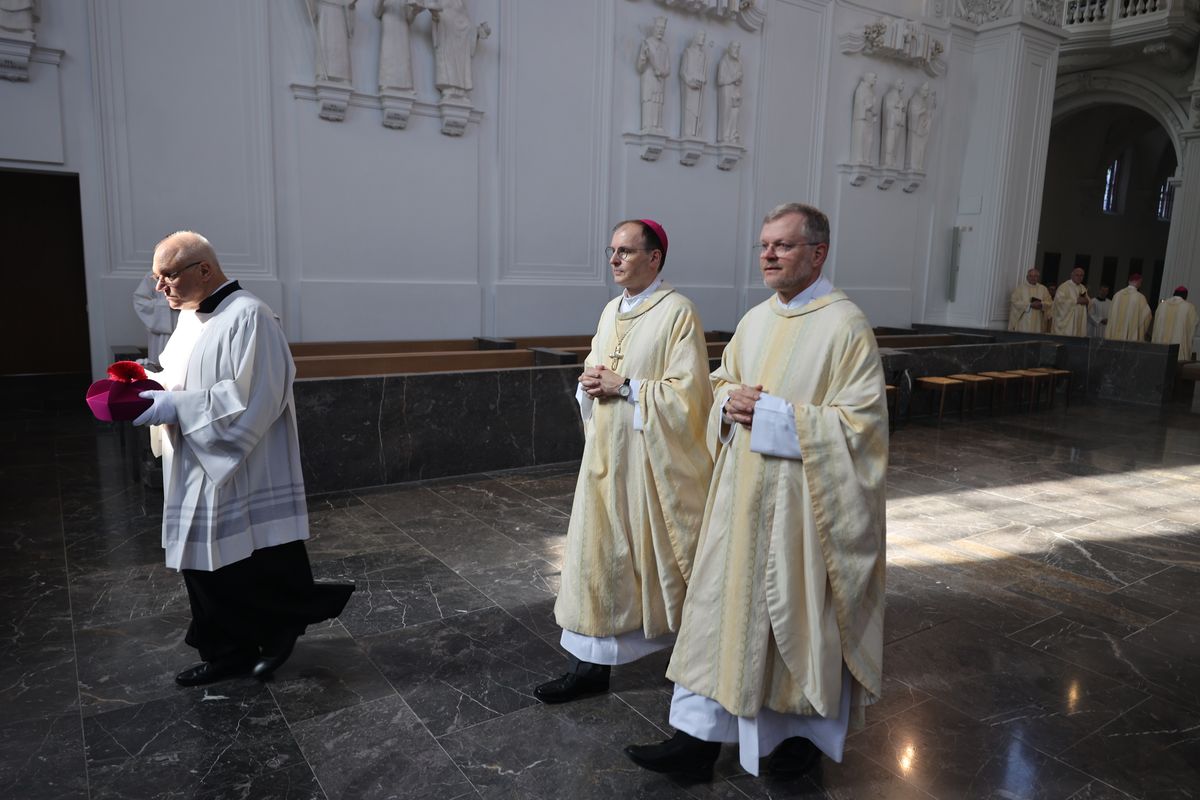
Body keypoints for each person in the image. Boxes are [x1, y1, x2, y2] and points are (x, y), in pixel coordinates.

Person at [625, 203, 887, 781]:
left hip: (803, 507)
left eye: (783, 245)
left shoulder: (846, 327)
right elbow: (719, 385)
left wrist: (774, 414)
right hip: (740, 501)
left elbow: (862, 429)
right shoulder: (755, 319)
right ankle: (695, 742)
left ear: (817, 253)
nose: (768, 255)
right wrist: (728, 404)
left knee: (795, 621)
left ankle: (800, 739)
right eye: (764, 245)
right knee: (717, 615)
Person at [133, 231, 354, 687]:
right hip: (195, 458)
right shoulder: (191, 317)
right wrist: (146, 383)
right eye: (156, 278)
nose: (159, 288)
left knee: (243, 562)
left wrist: (173, 406)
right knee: (203, 562)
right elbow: (179, 376)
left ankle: (273, 631)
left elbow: (253, 397)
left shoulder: (251, 316)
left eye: (167, 276)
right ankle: (228, 651)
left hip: (240, 461)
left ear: (204, 270)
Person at [536, 220, 713, 704]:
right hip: (604, 454)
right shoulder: (611, 309)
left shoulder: (677, 312)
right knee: (596, 557)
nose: (614, 260)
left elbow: (691, 395)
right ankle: (588, 667)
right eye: (611, 251)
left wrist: (627, 387)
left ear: (654, 258)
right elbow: (598, 363)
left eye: (626, 252)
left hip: (648, 462)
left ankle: (690, 659)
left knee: (648, 559)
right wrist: (590, 382)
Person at [426, 0, 490, 101]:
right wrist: (434, 14)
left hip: (461, 42)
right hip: (446, 36)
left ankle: (461, 91)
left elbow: (466, 25)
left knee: (461, 65)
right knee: (448, 63)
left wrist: (478, 31)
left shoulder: (460, 3)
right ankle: (449, 90)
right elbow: (436, 15)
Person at [132, 271, 178, 366]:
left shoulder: (190, 272)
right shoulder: (153, 275)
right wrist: (166, 305)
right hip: (162, 334)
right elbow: (140, 302)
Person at [305, 0, 357, 84]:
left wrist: (351, 6)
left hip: (340, 15)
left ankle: (343, 75)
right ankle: (322, 72)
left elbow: (348, 7)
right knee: (325, 40)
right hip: (324, 12)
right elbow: (313, 12)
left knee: (341, 46)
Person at [375, 0, 421, 92]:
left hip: (402, 27)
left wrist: (415, 11)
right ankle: (387, 83)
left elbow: (409, 19)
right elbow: (377, 12)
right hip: (389, 25)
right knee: (388, 53)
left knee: (404, 56)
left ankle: (406, 85)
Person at [636, 17, 670, 134]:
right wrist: (643, 56)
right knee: (649, 101)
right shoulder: (647, 44)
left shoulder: (665, 47)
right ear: (654, 28)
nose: (661, 30)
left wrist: (662, 72)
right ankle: (647, 126)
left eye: (663, 28)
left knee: (658, 103)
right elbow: (640, 67)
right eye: (659, 28)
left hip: (660, 82)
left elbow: (668, 69)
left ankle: (657, 126)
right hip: (649, 80)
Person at [1151, 286, 1198, 361]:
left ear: (1174, 294)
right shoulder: (1189, 307)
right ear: (1185, 296)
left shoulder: (1162, 305)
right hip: (1178, 348)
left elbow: (1156, 324)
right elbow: (1193, 326)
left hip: (1160, 347)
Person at [1104, 273, 1152, 342]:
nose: (1140, 285)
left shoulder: (1117, 295)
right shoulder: (1140, 298)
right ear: (1138, 282)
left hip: (1114, 335)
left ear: (1129, 281)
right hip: (1130, 337)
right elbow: (1147, 316)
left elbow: (1110, 314)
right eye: (1141, 283)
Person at [679, 31, 708, 139]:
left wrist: (703, 79)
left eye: (704, 36)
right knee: (689, 108)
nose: (703, 38)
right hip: (689, 86)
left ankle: (696, 132)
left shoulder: (703, 56)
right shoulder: (688, 52)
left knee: (698, 111)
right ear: (696, 37)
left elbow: (704, 73)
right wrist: (689, 81)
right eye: (701, 36)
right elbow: (683, 71)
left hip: (699, 87)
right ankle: (688, 132)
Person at [1007, 267, 1052, 333]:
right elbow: (1014, 302)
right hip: (1024, 321)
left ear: (1038, 277)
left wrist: (1041, 304)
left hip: (1038, 320)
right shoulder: (1020, 288)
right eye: (1031, 276)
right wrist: (1029, 305)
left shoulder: (1043, 289)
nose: (1033, 278)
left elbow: (1049, 302)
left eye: (1035, 276)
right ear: (1027, 277)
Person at [716, 42, 743, 145]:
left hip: (735, 91)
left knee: (735, 112)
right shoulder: (724, 62)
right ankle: (725, 136)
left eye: (738, 48)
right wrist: (734, 78)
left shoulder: (739, 63)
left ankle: (732, 135)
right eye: (735, 48)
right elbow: (720, 80)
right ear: (730, 49)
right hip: (726, 90)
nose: (737, 50)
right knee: (726, 111)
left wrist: (738, 80)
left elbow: (740, 79)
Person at [1051, 267, 1090, 337]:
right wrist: (1076, 301)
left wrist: (1087, 301)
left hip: (1079, 321)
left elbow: (1088, 301)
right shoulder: (1064, 287)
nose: (1079, 277)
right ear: (1072, 275)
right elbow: (1059, 302)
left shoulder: (1083, 287)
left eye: (1081, 275)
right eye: (1077, 275)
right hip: (1068, 324)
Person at [849, 73, 877, 165]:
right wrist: (867, 106)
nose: (875, 80)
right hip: (863, 117)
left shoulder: (871, 91)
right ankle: (859, 157)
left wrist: (874, 111)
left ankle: (866, 157)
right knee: (861, 137)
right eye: (874, 78)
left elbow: (873, 104)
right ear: (868, 78)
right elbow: (859, 103)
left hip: (869, 117)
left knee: (870, 139)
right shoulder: (861, 89)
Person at [881, 79, 906, 169]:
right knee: (890, 141)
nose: (903, 86)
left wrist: (902, 110)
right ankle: (887, 160)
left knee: (896, 142)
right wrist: (897, 107)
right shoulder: (890, 95)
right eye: (902, 83)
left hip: (898, 123)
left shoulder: (900, 97)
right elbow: (888, 108)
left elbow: (902, 109)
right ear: (896, 84)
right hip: (891, 123)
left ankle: (893, 160)